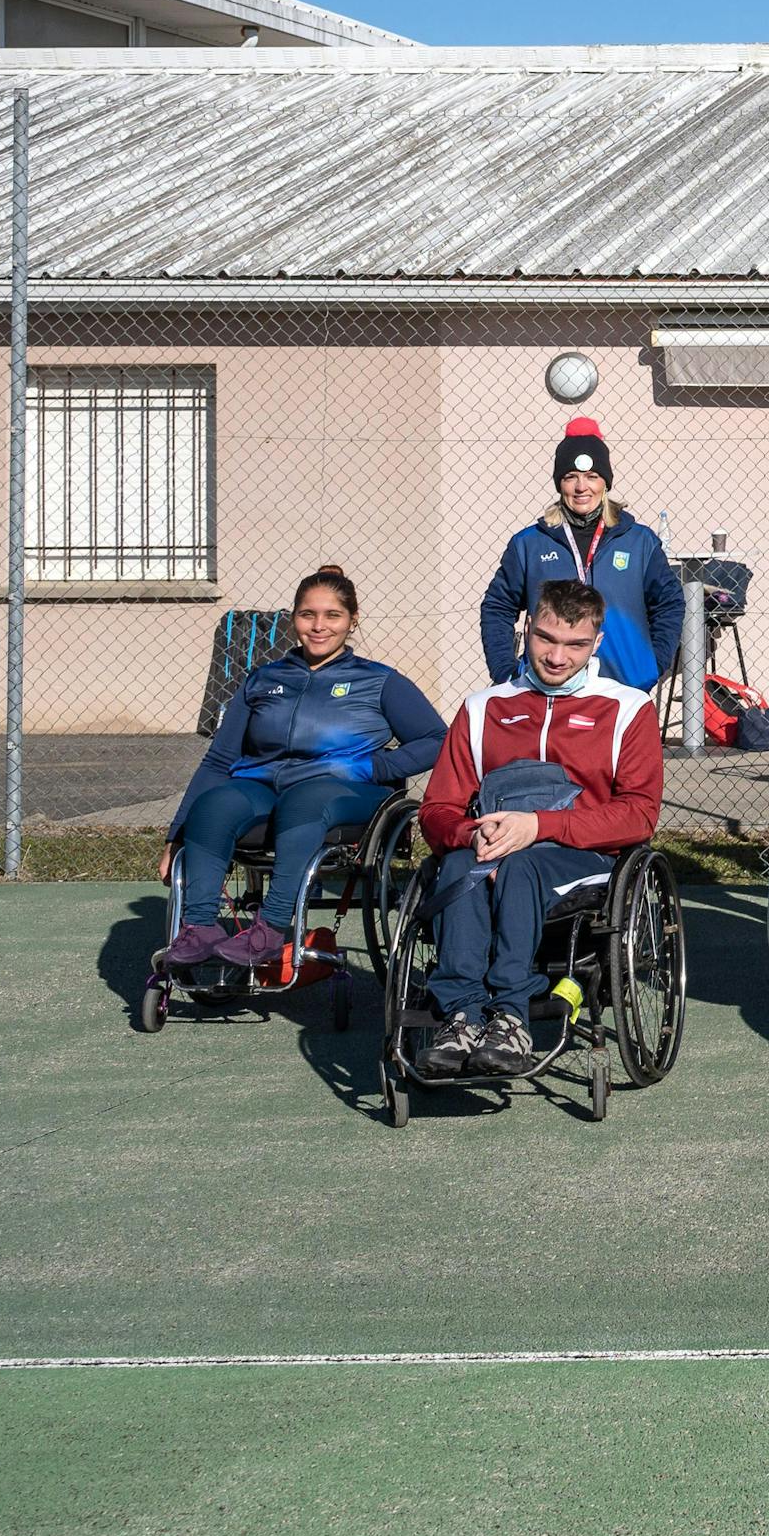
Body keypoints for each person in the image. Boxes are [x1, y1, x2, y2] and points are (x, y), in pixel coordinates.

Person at [413, 582, 665, 1078]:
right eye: (546, 639)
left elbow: (638, 814)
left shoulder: (629, 709)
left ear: (596, 643)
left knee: (522, 865)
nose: (556, 656)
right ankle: (461, 1015)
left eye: (574, 645)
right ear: (525, 631)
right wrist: (469, 835)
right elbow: (437, 808)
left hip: (584, 859)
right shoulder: (482, 708)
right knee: (462, 865)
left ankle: (509, 1014)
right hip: (490, 846)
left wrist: (538, 826)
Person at [158, 567, 446, 976]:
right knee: (215, 803)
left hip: (345, 791)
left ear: (353, 620)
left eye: (332, 615)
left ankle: (272, 928)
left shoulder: (378, 680)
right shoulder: (263, 679)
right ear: (292, 618)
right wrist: (175, 835)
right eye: (307, 614)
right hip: (262, 786)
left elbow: (436, 739)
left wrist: (373, 765)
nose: (319, 626)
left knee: (305, 801)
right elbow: (219, 759)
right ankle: (199, 928)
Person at [476, 419, 687, 692]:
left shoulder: (640, 542)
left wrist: (651, 665)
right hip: (548, 688)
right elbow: (498, 606)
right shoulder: (529, 544)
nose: (581, 487)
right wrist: (505, 670)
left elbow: (669, 603)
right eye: (570, 477)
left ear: (605, 483)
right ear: (559, 483)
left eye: (591, 477)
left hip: (623, 687)